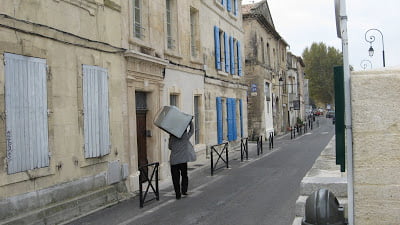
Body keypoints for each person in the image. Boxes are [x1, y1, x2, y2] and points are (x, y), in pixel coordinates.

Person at [168, 121, 196, 199]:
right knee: (184, 175)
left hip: (174, 160)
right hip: (183, 160)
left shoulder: (172, 137)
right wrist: (190, 122)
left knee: (175, 178)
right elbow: (192, 131)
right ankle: (184, 190)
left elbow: (170, 147)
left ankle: (178, 194)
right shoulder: (185, 136)